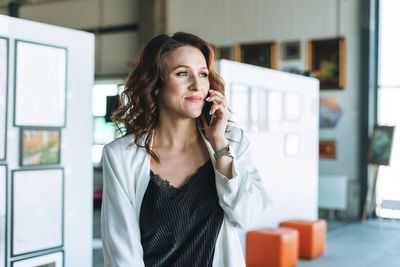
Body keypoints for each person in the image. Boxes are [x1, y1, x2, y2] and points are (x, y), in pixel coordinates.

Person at [101, 32, 269, 267]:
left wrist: (220, 145)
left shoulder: (232, 140)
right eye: (182, 73)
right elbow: (121, 252)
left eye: (203, 74)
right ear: (155, 84)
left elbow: (246, 216)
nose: (197, 85)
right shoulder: (121, 155)